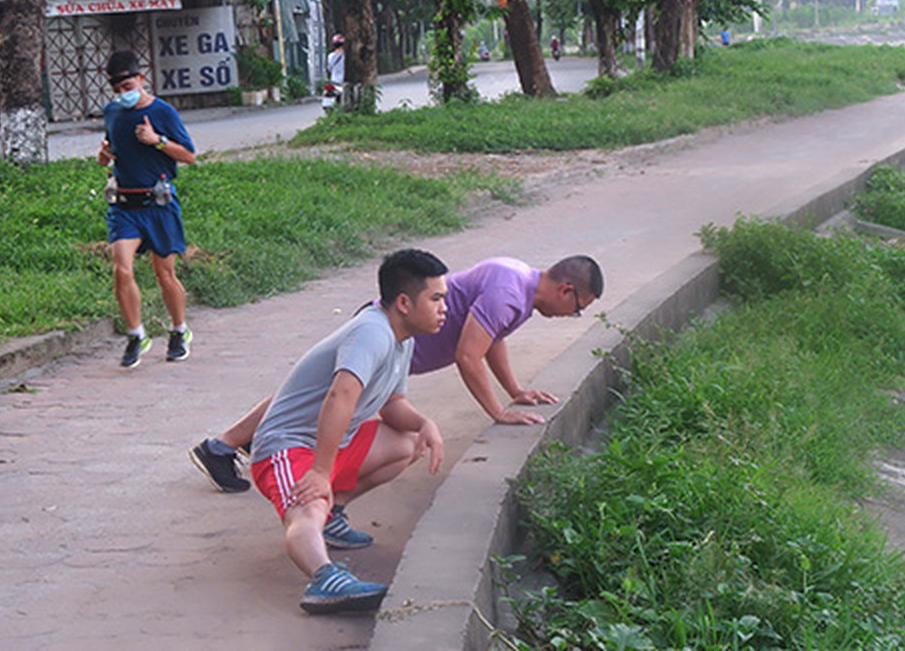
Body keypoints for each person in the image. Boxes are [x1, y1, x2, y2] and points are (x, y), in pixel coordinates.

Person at [190, 255, 603, 492]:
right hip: (387, 331)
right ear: (567, 290)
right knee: (318, 394)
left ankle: (224, 445)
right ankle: (224, 445)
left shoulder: (517, 285)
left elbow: (491, 340)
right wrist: (498, 412)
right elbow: (468, 355)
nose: (574, 314)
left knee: (315, 392)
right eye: (579, 306)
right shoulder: (509, 290)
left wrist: (515, 389)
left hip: (395, 341)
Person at [248, 248, 448, 614]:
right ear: (404, 302)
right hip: (287, 445)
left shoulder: (403, 339)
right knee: (306, 509)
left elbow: (392, 405)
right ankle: (324, 578)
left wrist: (425, 424)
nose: (444, 308)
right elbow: (340, 395)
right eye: (435, 298)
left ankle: (332, 517)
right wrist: (321, 472)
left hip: (331, 442)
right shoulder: (373, 331)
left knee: (406, 443)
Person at [97, 50, 198, 368]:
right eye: (117, 90)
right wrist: (104, 156)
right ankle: (136, 334)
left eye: (128, 85)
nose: (123, 94)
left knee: (164, 273)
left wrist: (157, 141)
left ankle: (179, 330)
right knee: (121, 268)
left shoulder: (163, 112)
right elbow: (110, 148)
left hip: (159, 204)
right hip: (125, 205)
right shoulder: (112, 113)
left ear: (141, 79)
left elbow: (188, 155)